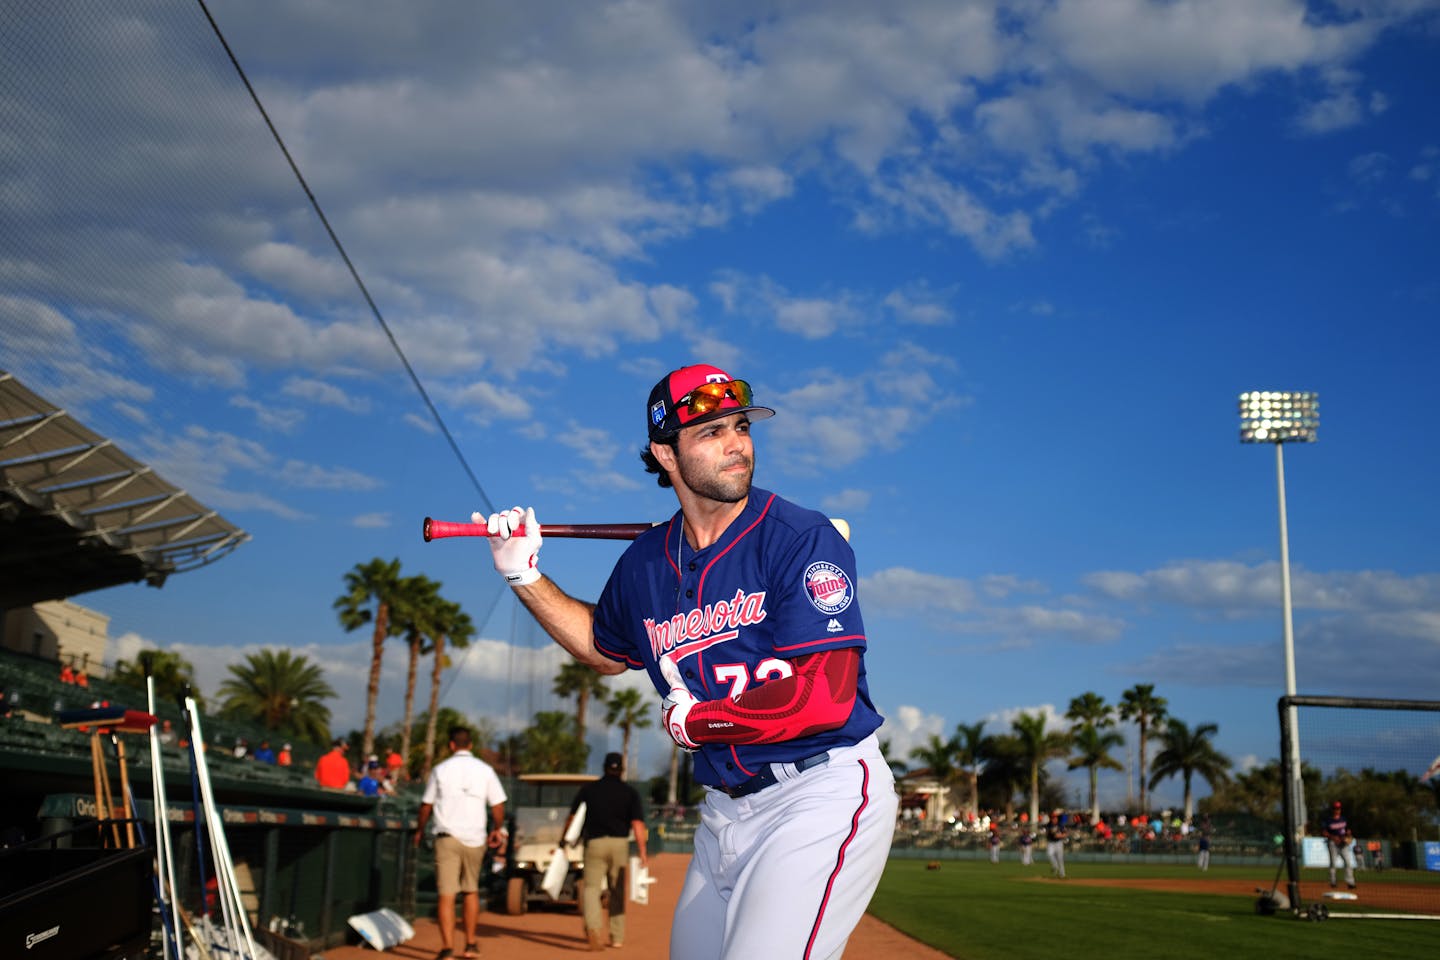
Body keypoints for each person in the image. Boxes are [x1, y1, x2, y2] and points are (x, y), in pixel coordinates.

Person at [478, 363, 898, 960]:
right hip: (724, 810)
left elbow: (824, 698)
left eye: (741, 427)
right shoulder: (647, 562)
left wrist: (699, 722)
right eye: (710, 433)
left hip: (818, 791)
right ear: (665, 454)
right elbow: (603, 648)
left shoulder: (800, 538)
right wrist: (523, 574)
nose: (736, 444)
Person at [414, 727, 507, 960]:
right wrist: (497, 829)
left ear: (451, 745)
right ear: (471, 745)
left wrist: (419, 830)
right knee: (471, 890)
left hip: (447, 837)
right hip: (475, 838)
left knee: (446, 894)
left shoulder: (440, 769)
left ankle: (447, 949)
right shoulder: (485, 770)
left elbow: (426, 805)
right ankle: (471, 944)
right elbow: (497, 806)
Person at [565, 752, 649, 950]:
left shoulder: (589, 790)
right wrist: (642, 851)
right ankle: (617, 937)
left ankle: (593, 929)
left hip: (594, 844)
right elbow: (637, 824)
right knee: (617, 890)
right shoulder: (630, 792)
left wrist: (564, 840)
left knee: (592, 889)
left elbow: (572, 818)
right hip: (619, 845)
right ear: (621, 769)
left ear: (603, 768)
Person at [1323, 800, 1356, 890]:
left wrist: (1348, 836)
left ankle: (1350, 882)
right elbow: (1324, 832)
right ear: (1333, 809)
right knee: (1333, 863)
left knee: (1348, 862)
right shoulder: (1329, 820)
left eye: (1339, 808)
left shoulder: (1344, 819)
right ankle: (1333, 882)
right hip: (1333, 843)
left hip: (1343, 843)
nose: (1337, 810)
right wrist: (1333, 837)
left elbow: (1348, 831)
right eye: (1335, 808)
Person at [1045, 810, 1067, 878]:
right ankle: (1055, 866)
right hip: (1051, 843)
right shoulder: (1049, 824)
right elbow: (1050, 832)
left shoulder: (1060, 825)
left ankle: (1062, 873)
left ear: (1057, 818)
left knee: (1060, 858)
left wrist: (1060, 835)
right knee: (1049, 854)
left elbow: (1065, 834)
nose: (1053, 819)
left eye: (1054, 817)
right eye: (1052, 817)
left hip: (1058, 843)